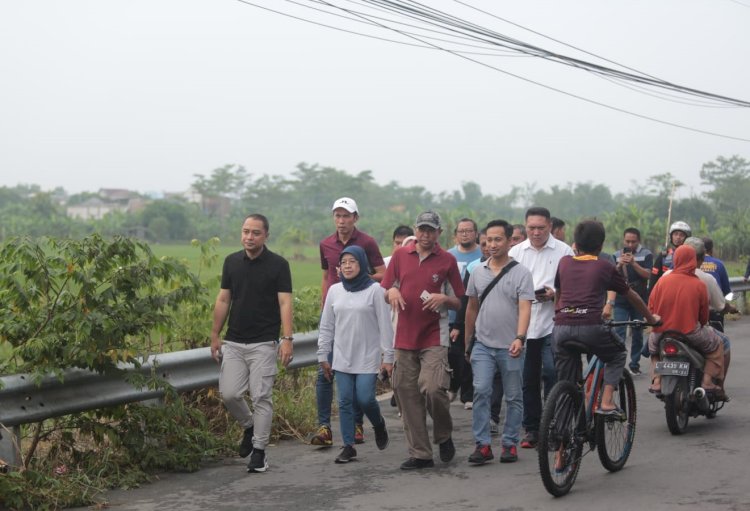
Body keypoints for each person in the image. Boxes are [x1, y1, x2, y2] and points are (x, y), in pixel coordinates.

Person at [210, 214, 294, 473]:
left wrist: (287, 339)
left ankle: (259, 451)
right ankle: (249, 426)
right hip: (234, 341)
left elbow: (285, 302)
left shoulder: (278, 265)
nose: (249, 237)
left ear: (266, 235)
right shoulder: (232, 262)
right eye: (245, 231)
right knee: (230, 394)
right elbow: (224, 299)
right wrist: (215, 334)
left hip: (264, 342)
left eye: (255, 232)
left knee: (261, 397)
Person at [382, 211, 465, 470]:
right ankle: (421, 454)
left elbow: (459, 301)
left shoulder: (448, 261)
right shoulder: (399, 256)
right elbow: (387, 289)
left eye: (431, 230)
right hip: (404, 336)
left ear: (439, 232)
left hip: (434, 336)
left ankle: (443, 434)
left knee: (432, 388)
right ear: (415, 231)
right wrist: (392, 291)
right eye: (422, 229)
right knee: (407, 394)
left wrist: (444, 300)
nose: (425, 235)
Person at [553, 220, 659, 414]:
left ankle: (560, 436)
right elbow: (632, 296)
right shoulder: (604, 266)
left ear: (574, 243)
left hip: (561, 327)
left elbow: (559, 294)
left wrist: (558, 315)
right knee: (617, 354)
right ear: (601, 245)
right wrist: (651, 319)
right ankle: (608, 401)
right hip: (591, 327)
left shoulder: (564, 262)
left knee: (566, 382)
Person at [312, 197, 386, 447]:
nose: (341, 221)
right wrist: (327, 304)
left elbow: (383, 275)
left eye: (346, 216)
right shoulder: (326, 244)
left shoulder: (367, 242)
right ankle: (324, 427)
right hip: (337, 310)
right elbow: (326, 278)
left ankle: (357, 423)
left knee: (360, 388)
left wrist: (358, 278)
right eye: (338, 216)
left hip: (362, 309)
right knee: (325, 374)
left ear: (356, 217)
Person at [464, 220, 533, 465]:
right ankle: (482, 445)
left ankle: (509, 443)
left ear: (508, 241)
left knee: (513, 396)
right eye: (488, 240)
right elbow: (471, 308)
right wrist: (468, 343)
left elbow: (525, 308)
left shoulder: (521, 273)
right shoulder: (477, 272)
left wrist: (520, 337)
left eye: (498, 239)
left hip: (510, 346)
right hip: (482, 344)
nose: (492, 245)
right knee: (481, 391)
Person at [317, 246, 394, 463]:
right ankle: (348, 446)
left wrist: (388, 357)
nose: (348, 265)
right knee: (344, 401)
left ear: (362, 265)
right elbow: (326, 326)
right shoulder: (335, 291)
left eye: (353, 261)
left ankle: (378, 424)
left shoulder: (375, 291)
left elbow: (385, 326)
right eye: (344, 262)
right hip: (342, 356)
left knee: (366, 398)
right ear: (339, 268)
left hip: (368, 356)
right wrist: (323, 354)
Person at [509, 207, 574, 449]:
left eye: (541, 228)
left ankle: (555, 427)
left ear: (550, 227)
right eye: (531, 228)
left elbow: (570, 287)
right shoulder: (516, 252)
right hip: (524, 326)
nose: (536, 232)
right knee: (527, 379)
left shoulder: (563, 251)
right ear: (525, 227)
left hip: (552, 323)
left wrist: (553, 294)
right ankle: (532, 429)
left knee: (551, 373)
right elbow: (509, 286)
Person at [647, 245, 725, 397]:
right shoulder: (699, 284)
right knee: (718, 345)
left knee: (654, 351)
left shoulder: (662, 281)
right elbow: (703, 317)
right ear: (693, 260)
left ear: (675, 259)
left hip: (661, 332)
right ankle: (707, 381)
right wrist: (701, 325)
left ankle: (657, 381)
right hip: (690, 333)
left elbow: (651, 308)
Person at [448, 218, 483, 409]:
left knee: (470, 353)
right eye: (461, 231)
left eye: (469, 230)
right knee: (453, 354)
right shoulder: (448, 256)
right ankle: (453, 387)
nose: (465, 234)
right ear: (456, 234)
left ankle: (468, 395)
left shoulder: (482, 254)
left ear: (476, 233)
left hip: (473, 311)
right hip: (452, 314)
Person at [610, 228, 653, 375]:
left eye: (633, 241)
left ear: (639, 241)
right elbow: (611, 276)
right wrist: (619, 264)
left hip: (638, 299)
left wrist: (634, 263)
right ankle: (619, 363)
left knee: (637, 331)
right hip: (621, 299)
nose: (630, 244)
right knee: (619, 331)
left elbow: (648, 275)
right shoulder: (616, 255)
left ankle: (634, 364)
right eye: (627, 241)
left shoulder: (646, 254)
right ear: (623, 240)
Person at [649, 220, 690, 289]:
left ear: (687, 238)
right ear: (671, 236)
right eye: (675, 234)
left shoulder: (690, 256)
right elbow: (654, 277)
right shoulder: (664, 255)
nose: (678, 237)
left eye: (681, 235)